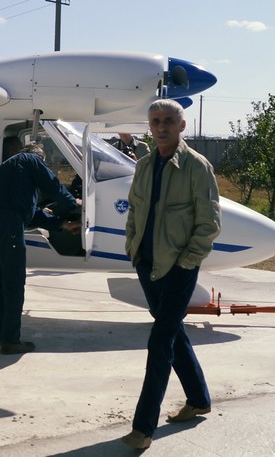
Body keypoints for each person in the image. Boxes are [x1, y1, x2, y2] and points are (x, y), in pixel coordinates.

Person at [119, 99, 221, 450]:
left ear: (182, 125)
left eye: (168, 121)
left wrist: (187, 262)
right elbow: (134, 209)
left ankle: (143, 427)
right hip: (147, 264)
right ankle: (199, 399)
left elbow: (209, 223)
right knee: (173, 332)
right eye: (155, 121)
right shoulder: (145, 165)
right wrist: (132, 247)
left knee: (159, 342)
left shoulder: (196, 167)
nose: (161, 127)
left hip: (178, 268)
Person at [0, 136, 80, 354]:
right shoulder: (31, 160)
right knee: (13, 281)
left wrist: (61, 224)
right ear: (39, 157)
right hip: (6, 220)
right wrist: (74, 204)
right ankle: (11, 341)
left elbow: (30, 215)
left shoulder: (12, 170)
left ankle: (3, 334)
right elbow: (53, 186)